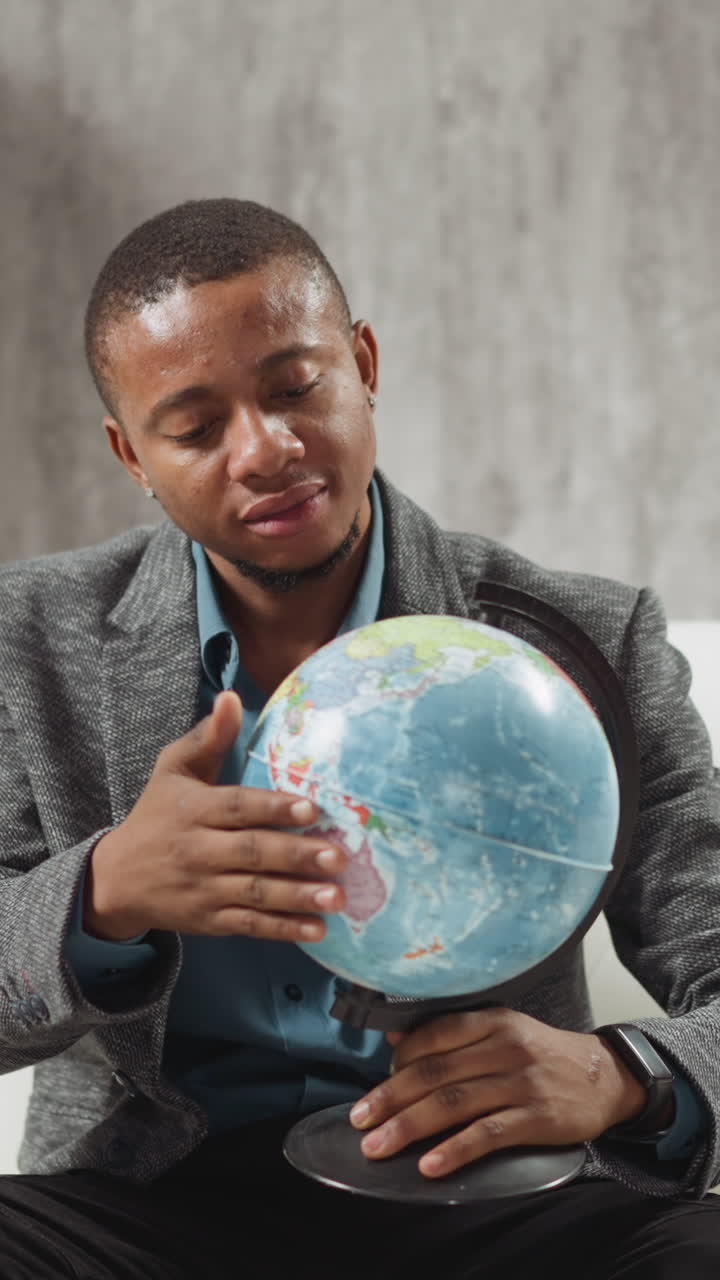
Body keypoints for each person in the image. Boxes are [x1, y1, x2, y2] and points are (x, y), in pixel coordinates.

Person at [0, 198, 719, 1280]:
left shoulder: (582, 639)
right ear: (131, 453)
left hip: (498, 1207)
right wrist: (101, 895)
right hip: (145, 1212)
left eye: (297, 388)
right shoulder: (25, 641)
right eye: (195, 427)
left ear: (363, 363)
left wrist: (625, 1074)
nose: (267, 449)